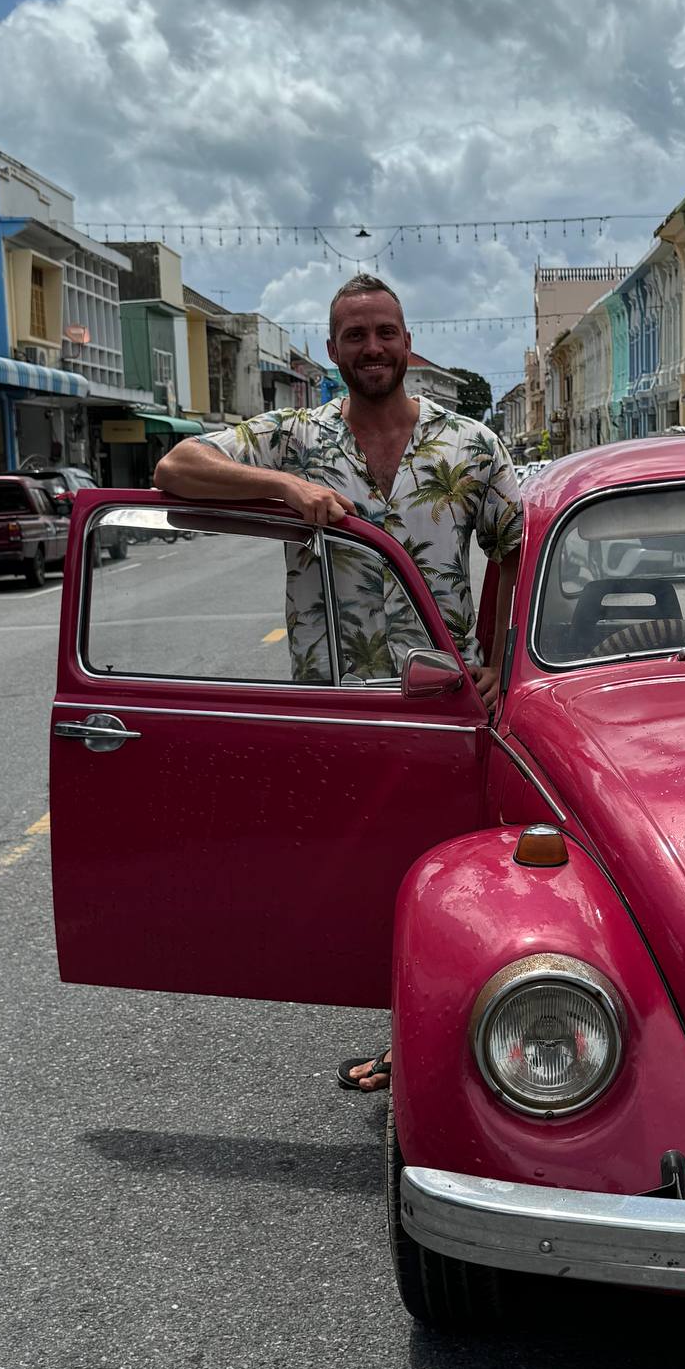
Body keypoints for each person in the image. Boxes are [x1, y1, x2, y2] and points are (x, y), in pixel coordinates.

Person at [154, 272, 524, 1096]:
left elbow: (516, 548)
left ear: (407, 339)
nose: (373, 349)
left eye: (385, 332)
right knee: (362, 876)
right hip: (335, 703)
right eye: (355, 336)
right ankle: (410, 1034)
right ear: (331, 351)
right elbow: (177, 464)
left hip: (440, 706)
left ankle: (443, 1039)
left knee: (445, 877)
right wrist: (282, 488)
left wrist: (499, 658)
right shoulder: (295, 437)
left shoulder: (468, 444)